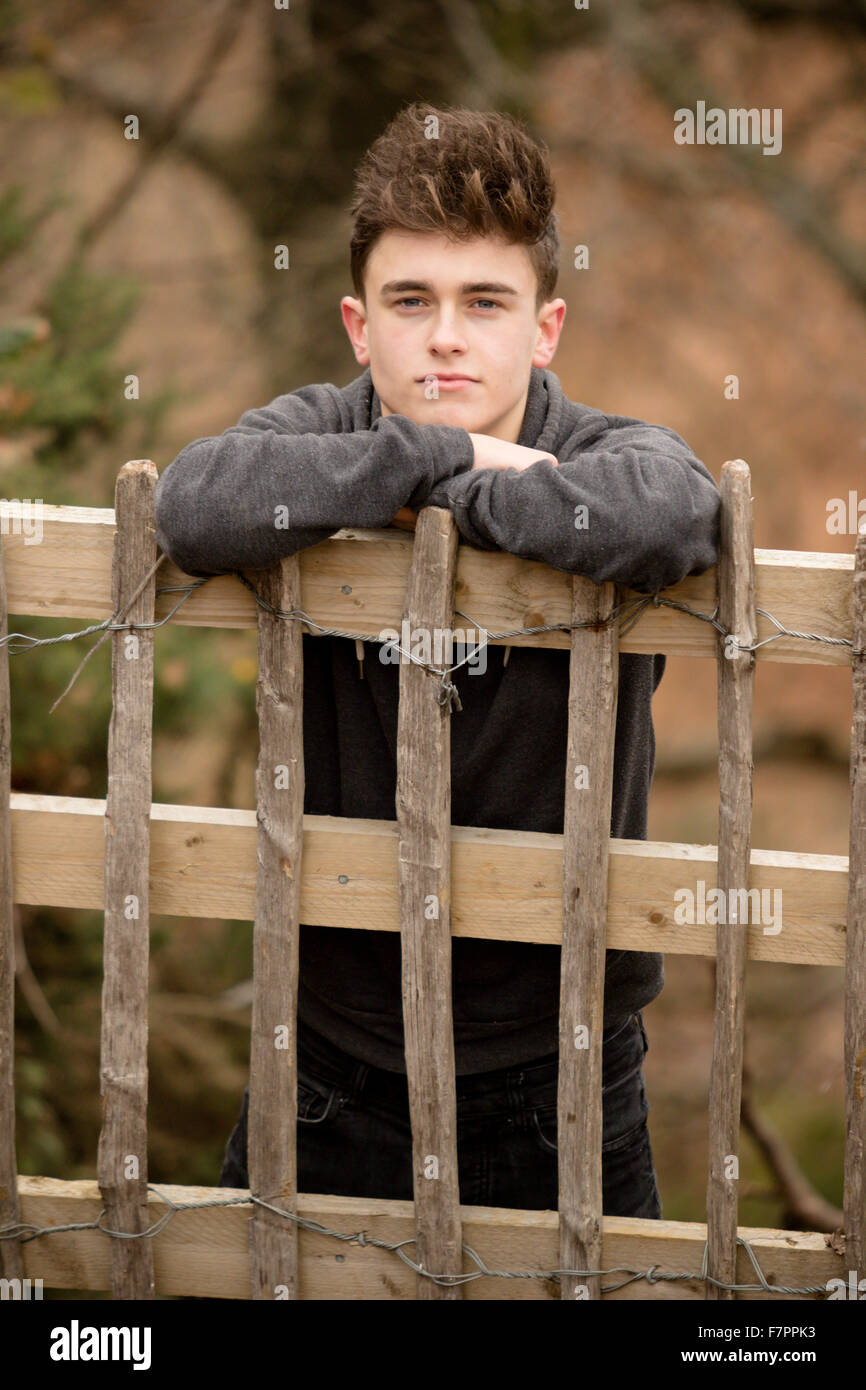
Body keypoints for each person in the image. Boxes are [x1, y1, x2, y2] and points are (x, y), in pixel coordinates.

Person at [154, 102, 721, 1220]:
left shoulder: (607, 453)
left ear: (544, 328)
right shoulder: (312, 428)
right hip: (329, 1055)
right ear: (359, 325)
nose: (445, 338)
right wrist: (443, 453)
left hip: (559, 1061)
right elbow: (192, 502)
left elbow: (676, 515)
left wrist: (450, 490)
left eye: (484, 304)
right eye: (411, 303)